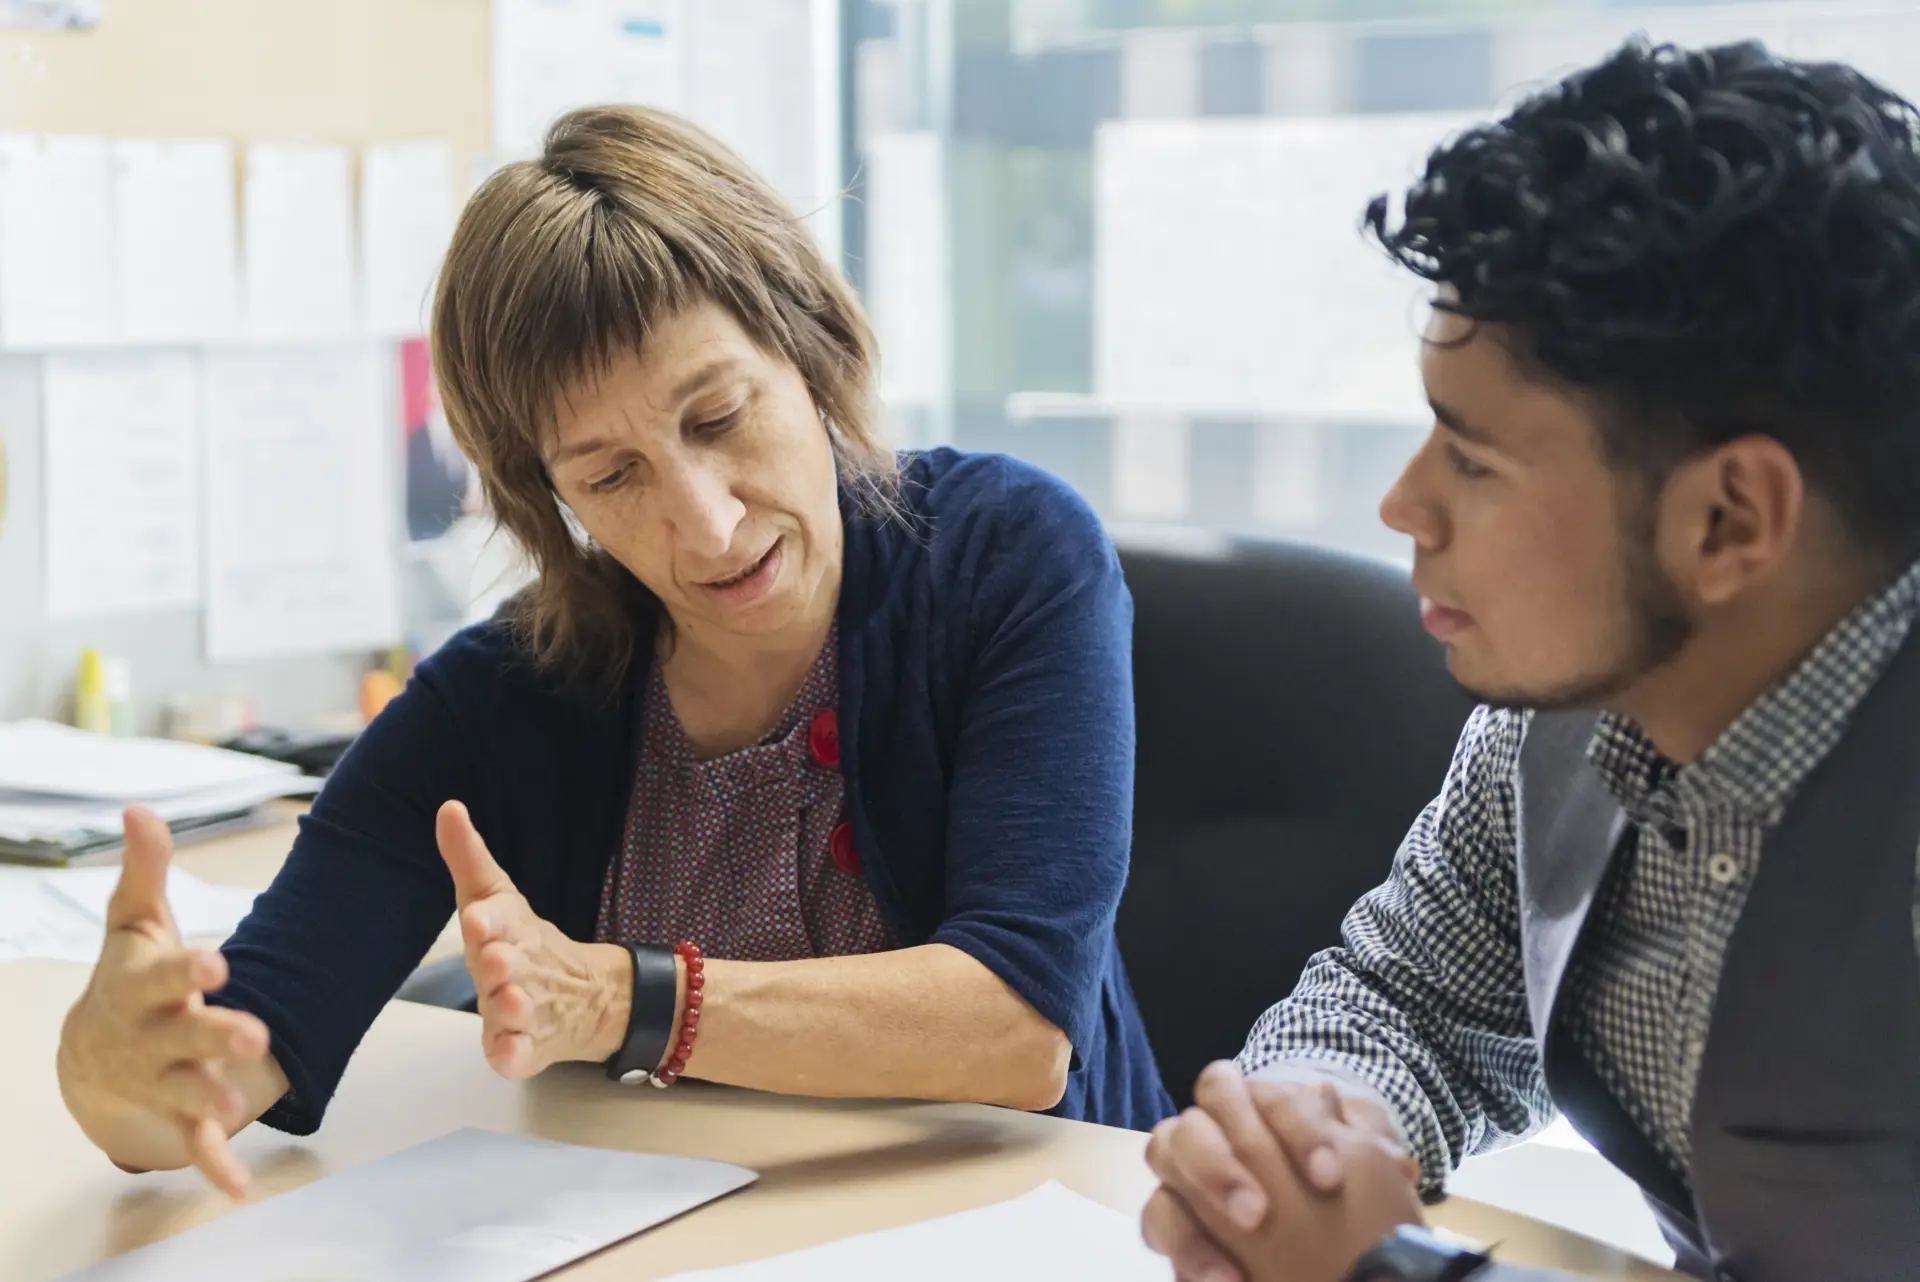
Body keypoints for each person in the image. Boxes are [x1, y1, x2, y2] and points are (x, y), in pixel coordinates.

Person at [55, 105, 1172, 1199]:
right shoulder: (505, 693)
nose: (706, 524)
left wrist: (616, 1000)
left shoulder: (1004, 553)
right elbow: (227, 1062)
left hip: (1031, 1225)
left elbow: (1018, 1027)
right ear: (553, 500)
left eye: (719, 416)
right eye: (610, 477)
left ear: (811, 345)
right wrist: (119, 1079)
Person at [1141, 38, 1920, 1282]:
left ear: (1728, 522)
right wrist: (1301, 1142)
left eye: (1474, 458)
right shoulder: (1570, 714)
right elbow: (1416, 1000)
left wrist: (1388, 1272)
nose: (1403, 506)